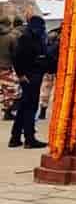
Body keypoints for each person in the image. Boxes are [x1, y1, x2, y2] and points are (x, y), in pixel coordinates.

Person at [9, 16, 49, 148]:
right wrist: (21, 75)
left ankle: (15, 137)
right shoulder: (26, 38)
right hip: (29, 76)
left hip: (33, 75)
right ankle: (29, 138)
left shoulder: (33, 36)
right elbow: (16, 57)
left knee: (24, 107)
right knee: (30, 107)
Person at [38, 30, 59, 120]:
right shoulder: (58, 46)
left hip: (47, 72)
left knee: (45, 92)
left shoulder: (45, 47)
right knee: (57, 92)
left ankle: (43, 112)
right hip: (57, 72)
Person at [0, 17, 18, 121]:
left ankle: (7, 110)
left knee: (2, 90)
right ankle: (8, 112)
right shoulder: (11, 37)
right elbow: (15, 53)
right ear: (8, 24)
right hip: (6, 67)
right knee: (10, 90)